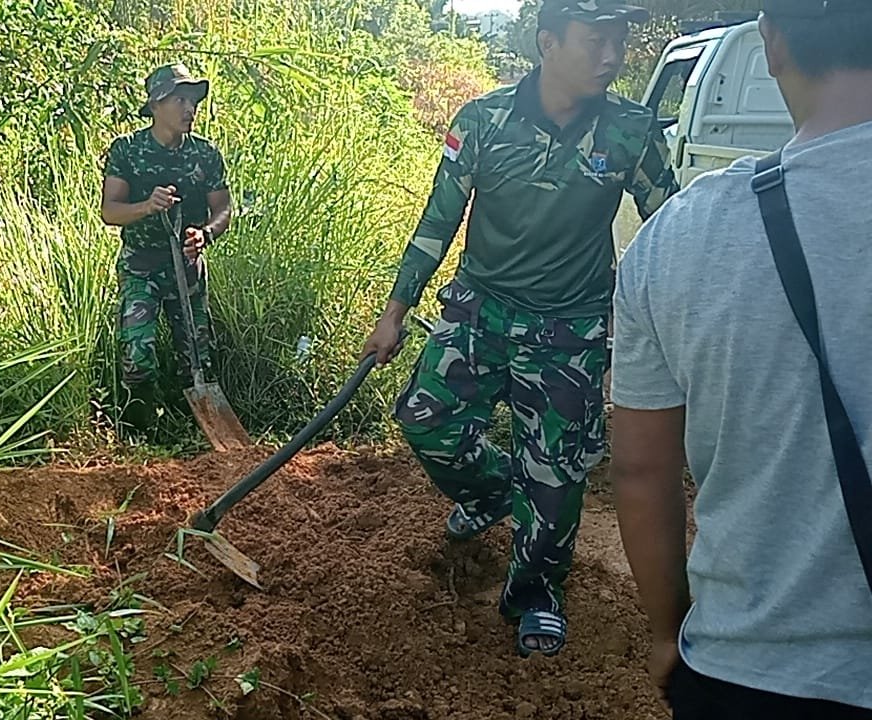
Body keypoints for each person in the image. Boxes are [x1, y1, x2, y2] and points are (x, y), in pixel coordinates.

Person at [361, 0, 678, 657]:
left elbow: (673, 224)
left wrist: (670, 316)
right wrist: (394, 311)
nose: (612, 56)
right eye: (596, 40)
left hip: (570, 330)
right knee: (425, 419)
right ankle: (492, 490)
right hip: (480, 311)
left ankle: (536, 594)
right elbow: (437, 221)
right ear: (547, 43)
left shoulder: (631, 130)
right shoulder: (483, 122)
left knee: (556, 476)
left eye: (619, 41)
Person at [610, 0, 872, 716]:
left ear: (771, 43)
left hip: (746, 670)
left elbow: (642, 470)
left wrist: (667, 631)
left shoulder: (676, 239)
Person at [100, 63, 233, 436]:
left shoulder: (205, 154)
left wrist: (205, 234)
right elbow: (110, 211)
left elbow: (223, 208)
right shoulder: (127, 150)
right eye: (180, 100)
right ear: (156, 105)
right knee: (137, 356)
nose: (190, 109)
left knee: (198, 358)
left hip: (187, 268)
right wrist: (147, 206)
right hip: (140, 266)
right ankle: (139, 435)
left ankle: (195, 434)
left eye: (193, 101)